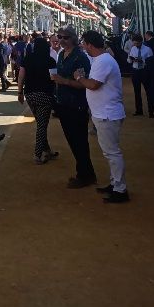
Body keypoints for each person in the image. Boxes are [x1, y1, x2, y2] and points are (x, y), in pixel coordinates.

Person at [77, 30, 129, 203]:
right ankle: (115, 183)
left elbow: (93, 84)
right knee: (109, 153)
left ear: (89, 44)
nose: (83, 46)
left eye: (84, 43)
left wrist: (79, 78)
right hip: (104, 113)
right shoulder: (101, 59)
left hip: (107, 114)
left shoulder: (104, 60)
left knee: (112, 153)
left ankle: (120, 189)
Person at [51, 26, 96, 188]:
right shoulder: (61, 55)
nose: (62, 40)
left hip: (76, 104)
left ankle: (85, 175)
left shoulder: (80, 57)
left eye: (65, 37)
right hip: (63, 102)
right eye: (59, 37)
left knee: (79, 141)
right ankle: (84, 172)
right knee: (72, 140)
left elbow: (84, 83)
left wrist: (64, 81)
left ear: (73, 39)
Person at [18, 37, 58, 163]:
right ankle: (37, 154)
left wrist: (19, 92)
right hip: (45, 95)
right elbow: (54, 79)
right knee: (42, 125)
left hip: (30, 95)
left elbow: (21, 76)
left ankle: (47, 151)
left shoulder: (28, 58)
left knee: (41, 123)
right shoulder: (50, 61)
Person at [127, 34, 154, 117]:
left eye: (137, 43)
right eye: (134, 43)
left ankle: (151, 111)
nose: (135, 45)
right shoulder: (133, 48)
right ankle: (139, 110)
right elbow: (128, 60)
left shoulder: (148, 49)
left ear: (141, 42)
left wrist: (142, 60)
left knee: (148, 91)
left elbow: (151, 62)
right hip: (135, 71)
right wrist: (131, 59)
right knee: (137, 91)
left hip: (144, 71)